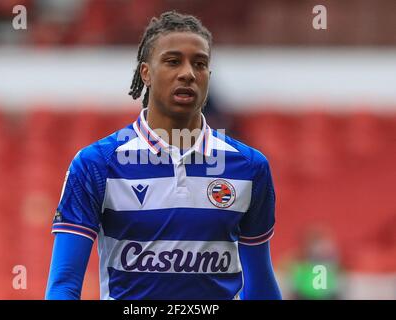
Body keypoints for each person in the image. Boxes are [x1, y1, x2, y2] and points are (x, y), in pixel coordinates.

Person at [45, 11, 281, 300]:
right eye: (172, 61)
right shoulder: (97, 164)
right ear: (146, 72)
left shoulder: (248, 167)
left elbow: (260, 285)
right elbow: (64, 285)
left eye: (200, 64)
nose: (188, 73)